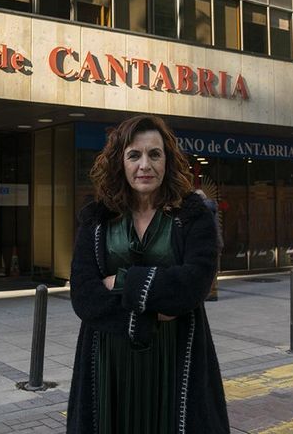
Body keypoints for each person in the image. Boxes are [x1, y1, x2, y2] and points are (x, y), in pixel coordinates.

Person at [67, 115, 229, 433]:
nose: (145, 165)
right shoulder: (97, 219)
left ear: (167, 161)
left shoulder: (193, 216)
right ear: (120, 162)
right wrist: (151, 314)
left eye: (154, 154)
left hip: (176, 358)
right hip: (108, 363)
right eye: (134, 155)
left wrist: (123, 281)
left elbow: (193, 285)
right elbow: (84, 296)